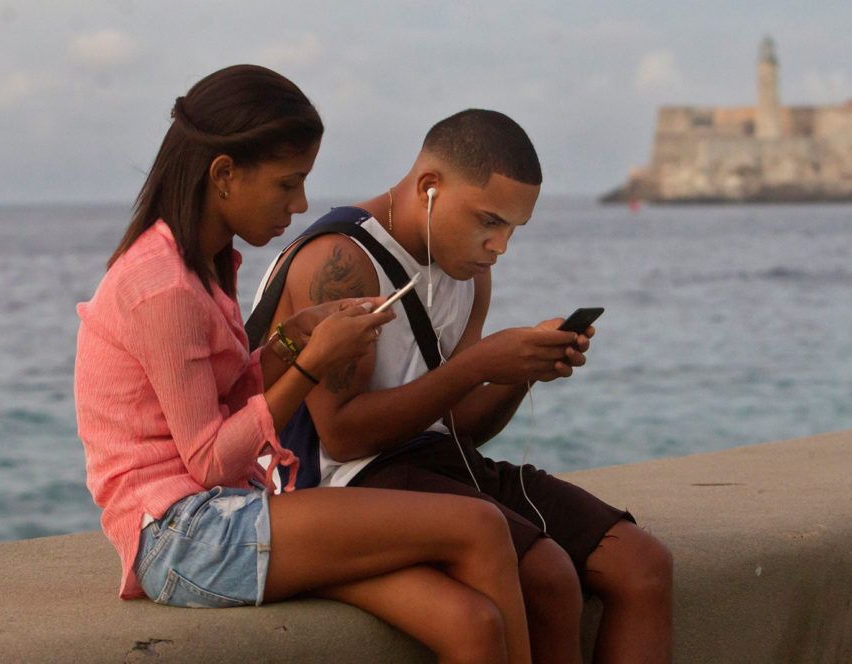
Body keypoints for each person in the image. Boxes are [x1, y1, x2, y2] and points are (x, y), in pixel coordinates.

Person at [74, 66, 533, 664]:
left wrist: (291, 340)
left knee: (468, 622)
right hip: (181, 536)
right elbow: (210, 461)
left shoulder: (205, 264)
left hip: (227, 512)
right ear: (224, 175)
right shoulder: (161, 285)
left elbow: (229, 395)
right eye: (288, 184)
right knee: (479, 528)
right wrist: (313, 365)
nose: (302, 204)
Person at [256, 109, 673, 663]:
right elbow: (343, 438)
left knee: (641, 564)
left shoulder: (469, 272)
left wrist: (517, 373)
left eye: (511, 230)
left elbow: (461, 426)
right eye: (488, 221)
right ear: (430, 187)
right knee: (548, 576)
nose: (498, 245)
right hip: (344, 484)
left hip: (432, 459)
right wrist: (476, 364)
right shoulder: (340, 259)